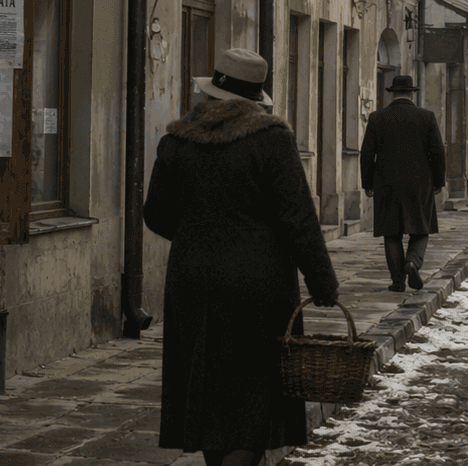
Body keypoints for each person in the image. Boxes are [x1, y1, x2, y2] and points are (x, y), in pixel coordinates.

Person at [144, 48, 339, 466]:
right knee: (254, 392)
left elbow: (155, 214)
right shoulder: (272, 140)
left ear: (212, 93)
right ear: (256, 99)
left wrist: (200, 238)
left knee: (207, 387)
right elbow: (298, 219)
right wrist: (322, 282)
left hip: (192, 281)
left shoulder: (177, 141)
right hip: (258, 283)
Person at [360, 74, 446, 293]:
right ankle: (412, 263)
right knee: (421, 229)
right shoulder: (426, 117)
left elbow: (367, 154)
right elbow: (437, 152)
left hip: (386, 181)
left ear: (392, 93)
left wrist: (367, 183)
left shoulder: (377, 117)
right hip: (419, 183)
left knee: (392, 232)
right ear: (412, 93)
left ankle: (397, 281)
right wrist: (438, 180)